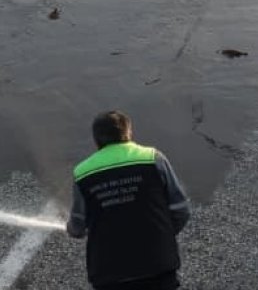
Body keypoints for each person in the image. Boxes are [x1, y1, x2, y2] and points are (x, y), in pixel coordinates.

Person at [68, 111, 190, 290]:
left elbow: (77, 227)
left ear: (96, 140)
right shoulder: (153, 158)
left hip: (108, 272)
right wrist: (163, 234)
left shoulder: (82, 173)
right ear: (129, 133)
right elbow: (181, 209)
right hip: (158, 264)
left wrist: (71, 228)